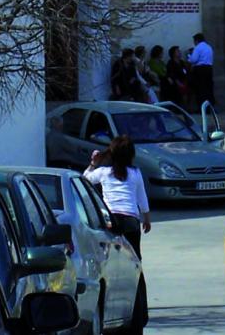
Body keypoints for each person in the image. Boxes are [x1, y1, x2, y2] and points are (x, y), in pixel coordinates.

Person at [83, 135, 150, 331]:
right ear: (131, 155)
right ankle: (138, 315)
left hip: (110, 222)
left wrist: (93, 164)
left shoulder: (103, 173)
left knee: (109, 265)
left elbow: (84, 179)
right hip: (130, 223)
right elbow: (142, 199)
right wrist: (146, 219)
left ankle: (110, 306)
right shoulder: (135, 173)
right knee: (135, 267)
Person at [189, 32, 215, 109]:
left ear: (196, 40)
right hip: (209, 68)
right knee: (208, 88)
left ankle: (201, 107)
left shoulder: (198, 48)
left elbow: (194, 60)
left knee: (200, 89)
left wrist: (189, 57)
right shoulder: (209, 47)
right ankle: (210, 106)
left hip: (200, 70)